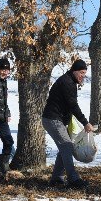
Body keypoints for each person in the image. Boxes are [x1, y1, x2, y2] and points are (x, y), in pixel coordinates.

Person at [42, 59, 95, 189]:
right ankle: (73, 179)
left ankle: (57, 178)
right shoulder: (67, 82)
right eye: (81, 72)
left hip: (56, 119)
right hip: (52, 119)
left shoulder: (69, 81)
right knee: (66, 146)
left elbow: (69, 105)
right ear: (74, 71)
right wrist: (85, 123)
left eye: (84, 73)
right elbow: (73, 105)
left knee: (64, 148)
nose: (83, 76)